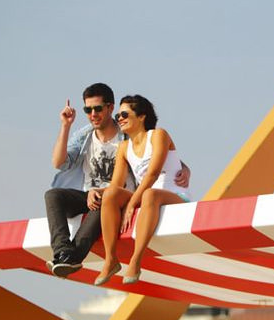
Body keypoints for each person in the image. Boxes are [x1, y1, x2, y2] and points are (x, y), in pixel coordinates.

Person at [44, 84, 190, 278]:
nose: (92, 114)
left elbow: (155, 156)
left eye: (97, 109)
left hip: (121, 198)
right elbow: (58, 162)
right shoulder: (87, 135)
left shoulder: (126, 133)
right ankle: (63, 252)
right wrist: (65, 126)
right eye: (88, 110)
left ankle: (72, 259)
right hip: (93, 194)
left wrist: (185, 168)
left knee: (106, 201)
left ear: (110, 107)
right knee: (53, 196)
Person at [97, 94, 190, 286]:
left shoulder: (158, 135)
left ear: (141, 116)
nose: (119, 119)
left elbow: (153, 173)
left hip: (174, 195)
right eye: (117, 116)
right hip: (146, 197)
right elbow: (116, 184)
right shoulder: (124, 147)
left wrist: (131, 204)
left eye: (124, 114)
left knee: (149, 193)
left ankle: (135, 260)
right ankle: (110, 259)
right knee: (111, 194)